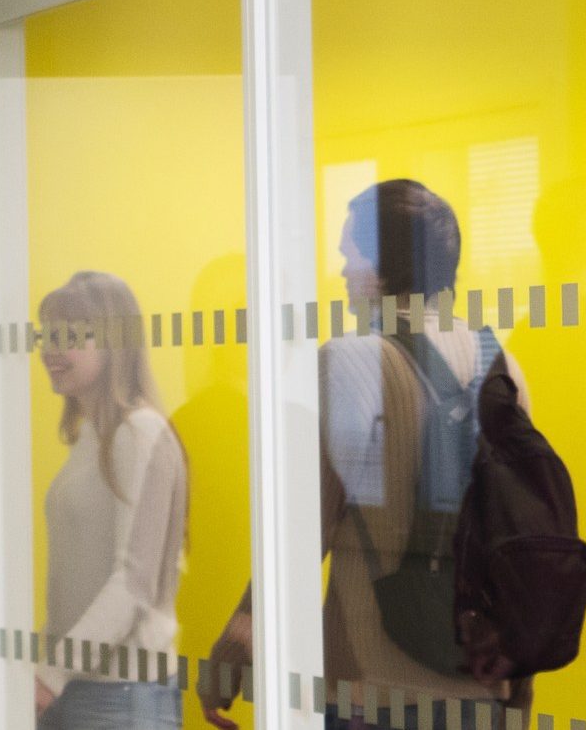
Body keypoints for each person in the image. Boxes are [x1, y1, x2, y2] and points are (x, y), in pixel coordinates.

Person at [200, 179, 536, 730]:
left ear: (381, 267)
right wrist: (520, 681)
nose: (341, 272)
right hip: (481, 686)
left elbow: (302, 532)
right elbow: (518, 531)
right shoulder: (500, 364)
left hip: (373, 688)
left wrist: (237, 643)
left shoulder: (347, 362)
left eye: (348, 254)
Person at [35, 270, 191, 730]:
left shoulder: (138, 433)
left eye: (67, 336)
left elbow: (134, 584)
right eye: (47, 335)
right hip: (80, 690)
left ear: (113, 344)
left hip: (121, 699)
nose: (50, 350)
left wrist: (51, 675)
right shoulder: (93, 437)